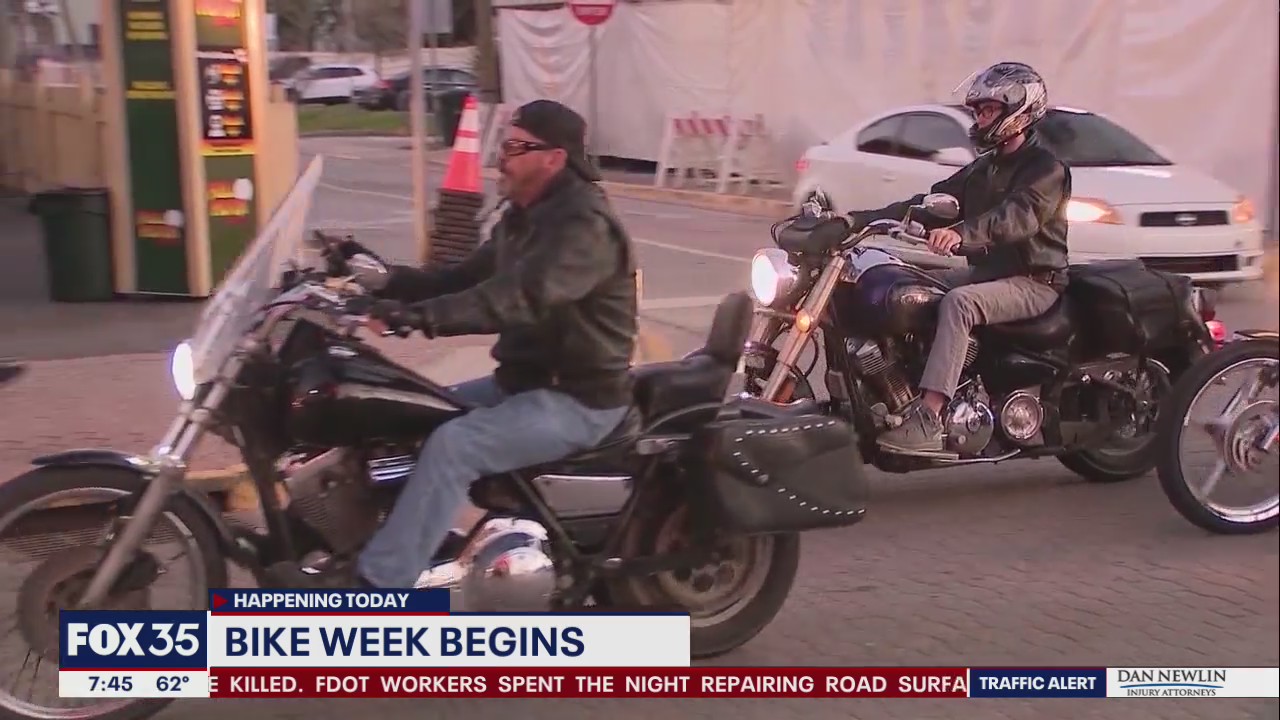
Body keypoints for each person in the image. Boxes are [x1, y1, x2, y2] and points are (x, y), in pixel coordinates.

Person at [292, 99, 638, 588]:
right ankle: (386, 541)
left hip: (577, 399)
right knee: (405, 413)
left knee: (454, 445)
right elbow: (459, 279)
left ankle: (379, 584)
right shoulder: (524, 216)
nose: (501, 158)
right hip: (520, 384)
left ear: (554, 158)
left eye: (515, 148)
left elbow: (513, 299)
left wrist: (417, 319)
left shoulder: (585, 229)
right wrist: (382, 280)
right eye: (504, 146)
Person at [846, 62, 1071, 455]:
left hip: (1034, 281)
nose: (981, 118)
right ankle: (896, 391)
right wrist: (857, 221)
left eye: (989, 110)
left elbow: (1016, 217)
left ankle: (930, 416)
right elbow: (931, 202)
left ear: (1019, 111)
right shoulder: (985, 168)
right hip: (989, 275)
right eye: (979, 111)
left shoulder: (1045, 169)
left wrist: (961, 234)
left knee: (959, 303)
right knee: (908, 285)